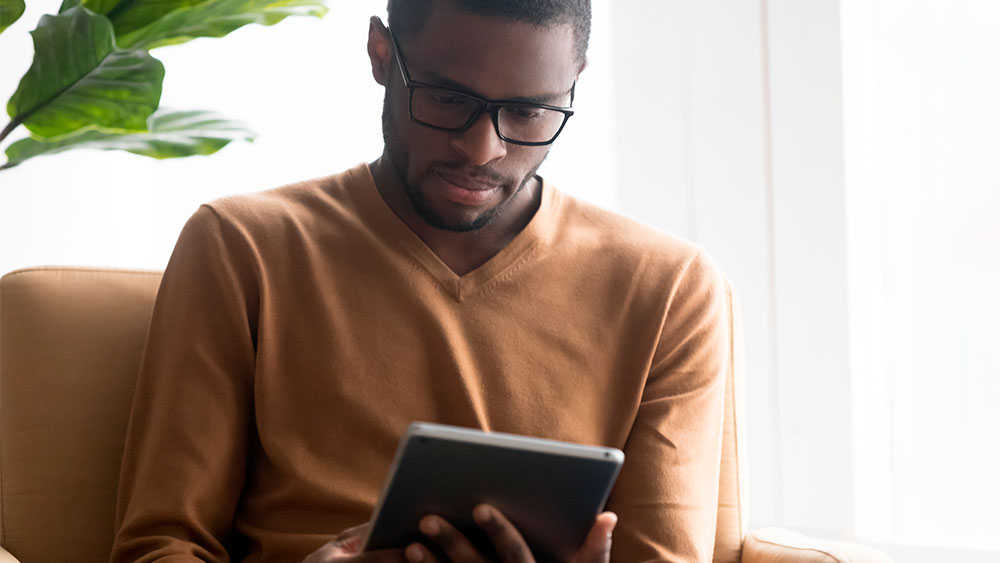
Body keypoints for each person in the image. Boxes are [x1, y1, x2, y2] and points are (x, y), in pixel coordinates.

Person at [110, 1, 736, 562]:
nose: (483, 150)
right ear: (381, 54)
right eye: (447, 100)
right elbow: (160, 547)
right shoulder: (242, 246)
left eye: (527, 111)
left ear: (574, 81)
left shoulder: (668, 287)